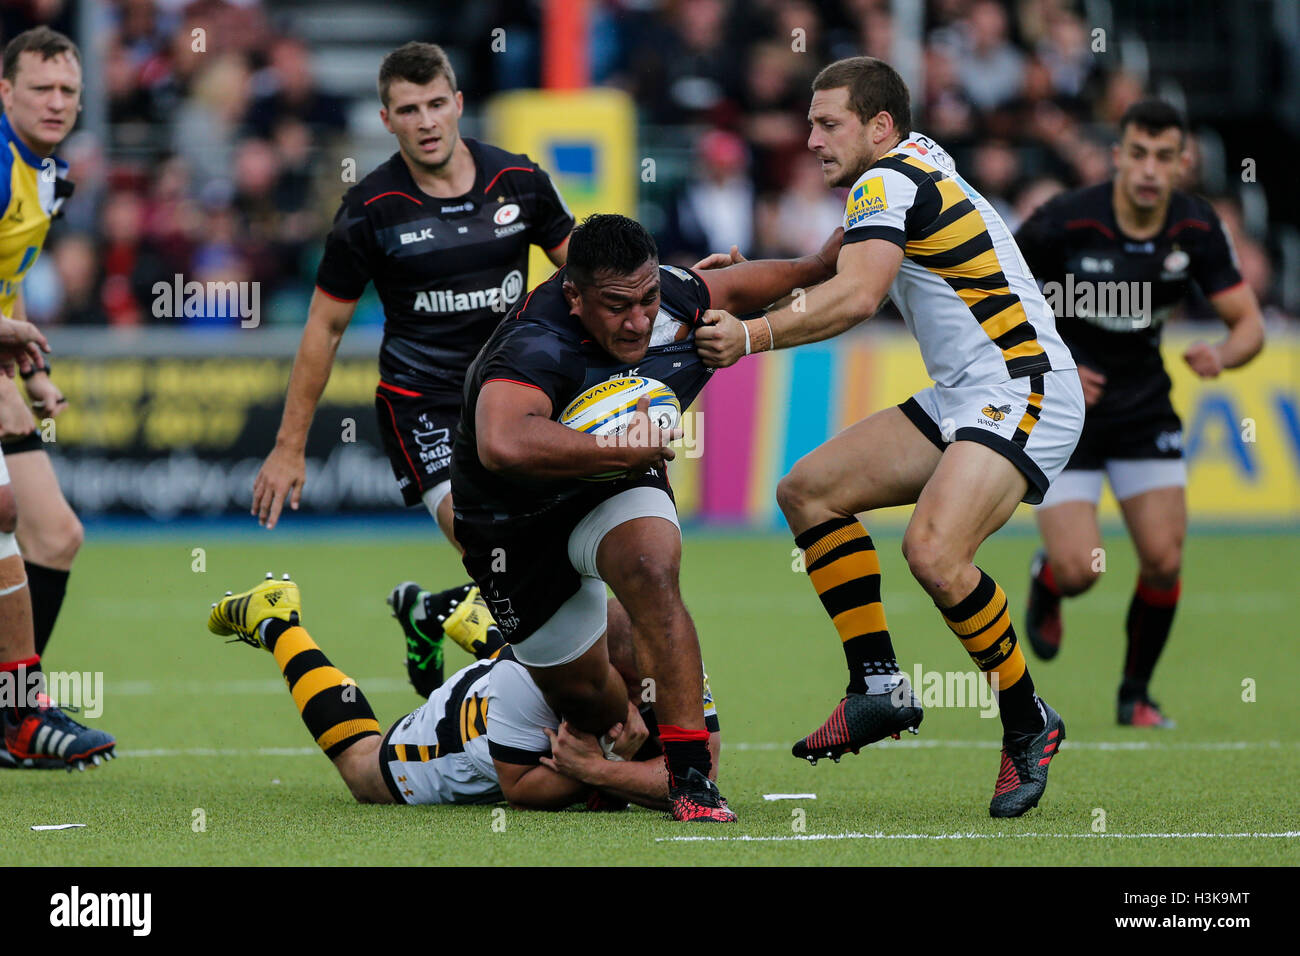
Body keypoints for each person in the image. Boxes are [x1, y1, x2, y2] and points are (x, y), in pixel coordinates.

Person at [696, 57, 1083, 818]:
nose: (809, 139)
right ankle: (876, 685)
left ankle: (1027, 720)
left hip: (1023, 387)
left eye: (827, 122)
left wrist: (748, 336)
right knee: (808, 492)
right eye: (810, 122)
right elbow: (822, 267)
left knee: (936, 554)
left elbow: (858, 295)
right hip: (965, 395)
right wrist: (747, 284)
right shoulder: (912, 163)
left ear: (879, 126)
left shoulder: (887, 181)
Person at [453, 213, 840, 821]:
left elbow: (738, 287)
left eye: (649, 299)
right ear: (574, 295)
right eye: (617, 307)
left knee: (653, 571)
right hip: (515, 527)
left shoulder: (663, 295)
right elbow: (500, 442)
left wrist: (819, 265)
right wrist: (620, 450)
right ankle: (484, 637)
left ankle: (688, 779)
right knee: (592, 703)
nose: (638, 321)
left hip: (614, 482)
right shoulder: (533, 345)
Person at [250, 41, 574, 682]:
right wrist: (289, 447)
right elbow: (324, 330)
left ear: (457, 105)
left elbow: (591, 277)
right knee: (490, 549)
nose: (425, 121)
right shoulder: (368, 212)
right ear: (386, 120)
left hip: (510, 395)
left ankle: (433, 615)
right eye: (408, 109)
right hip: (422, 405)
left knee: (550, 557)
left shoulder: (520, 182)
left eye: (434, 105)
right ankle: (529, 694)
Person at [1014, 99, 1264, 727]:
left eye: (1166, 157)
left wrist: (1225, 355)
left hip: (1145, 410)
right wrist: (1059, 366)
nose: (1151, 169)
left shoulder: (1196, 227)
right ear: (1118, 156)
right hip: (1066, 414)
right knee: (1081, 571)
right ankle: (1049, 581)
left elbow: (1249, 325)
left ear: (1183, 163)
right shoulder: (1064, 223)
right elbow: (997, 297)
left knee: (1164, 557)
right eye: (1140, 154)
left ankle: (1136, 695)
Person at [206, 573, 720, 810]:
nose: (653, 699)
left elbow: (703, 774)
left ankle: (447, 613)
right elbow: (520, 789)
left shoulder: (675, 656)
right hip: (468, 729)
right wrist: (604, 773)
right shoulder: (530, 682)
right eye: (635, 691)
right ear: (602, 672)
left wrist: (601, 770)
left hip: (524, 665)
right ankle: (276, 620)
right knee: (364, 769)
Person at [0, 27, 116, 770]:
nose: (56, 102)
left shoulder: (44, 172)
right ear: (4, 91)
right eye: (39, 88)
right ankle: (19, 711)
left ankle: (13, 711)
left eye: (68, 90)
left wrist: (29, 367)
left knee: (55, 535)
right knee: (8, 513)